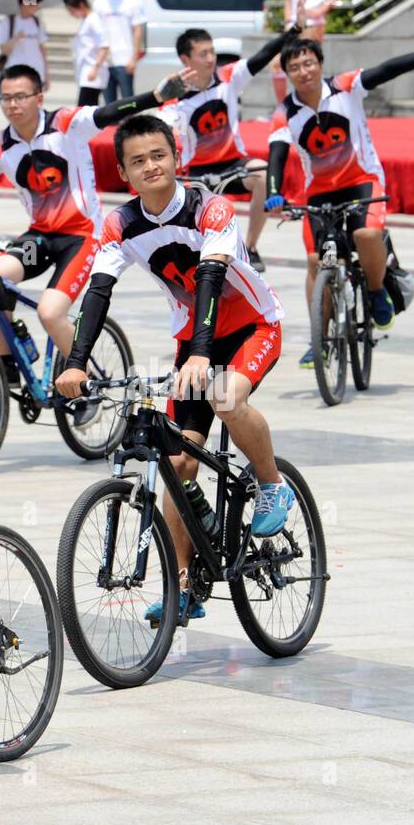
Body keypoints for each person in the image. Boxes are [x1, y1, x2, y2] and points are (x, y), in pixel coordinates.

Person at [55, 114, 291, 626]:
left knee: (227, 397)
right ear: (123, 172)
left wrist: (204, 355)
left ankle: (271, 482)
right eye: (137, 161)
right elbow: (97, 292)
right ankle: (184, 584)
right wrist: (76, 363)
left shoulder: (213, 208)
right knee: (178, 463)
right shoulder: (120, 224)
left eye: (158, 155)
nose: (150, 166)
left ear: (176, 157)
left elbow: (210, 276)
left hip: (253, 326)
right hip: (193, 340)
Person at [0, 64, 194, 395]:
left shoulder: (65, 123)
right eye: (6, 98)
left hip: (82, 236)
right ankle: (8, 368)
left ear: (39, 97)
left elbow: (109, 112)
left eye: (21, 96)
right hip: (40, 236)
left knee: (50, 313)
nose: (13, 105)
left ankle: (86, 381)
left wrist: (156, 96)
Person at [264, 35, 414, 366]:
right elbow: (276, 154)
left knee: (365, 234)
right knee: (314, 261)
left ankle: (377, 292)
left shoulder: (346, 87)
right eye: (295, 67)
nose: (304, 71)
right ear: (288, 74)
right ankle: (319, 338)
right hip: (319, 192)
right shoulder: (284, 112)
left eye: (309, 63)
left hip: (363, 182)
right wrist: (274, 191)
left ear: (320, 64)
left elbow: (388, 69)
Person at [160, 19, 302, 269]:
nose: (211, 58)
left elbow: (262, 57)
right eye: (203, 54)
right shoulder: (176, 101)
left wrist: (293, 31)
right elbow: (171, 137)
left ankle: (251, 246)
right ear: (185, 60)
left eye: (212, 51)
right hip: (197, 172)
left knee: (261, 172)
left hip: (232, 163)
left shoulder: (228, 77)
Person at [92, 0, 145, 101]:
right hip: (106, 61)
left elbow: (138, 31)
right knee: (109, 105)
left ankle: (131, 124)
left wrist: (133, 59)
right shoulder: (99, 3)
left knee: (128, 102)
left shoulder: (133, 2)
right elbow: (95, 33)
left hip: (125, 60)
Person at [63, 0, 110, 107]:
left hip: (92, 72)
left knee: (84, 108)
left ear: (81, 5)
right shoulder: (87, 20)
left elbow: (104, 46)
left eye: (72, 10)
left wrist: (95, 68)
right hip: (87, 71)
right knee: (86, 109)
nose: (71, 14)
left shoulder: (94, 20)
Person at [0, 0, 49, 87]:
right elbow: (2, 49)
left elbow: (43, 50)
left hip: (36, 73)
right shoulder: (9, 22)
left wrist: (47, 75)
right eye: (36, 3)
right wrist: (16, 38)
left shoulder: (37, 22)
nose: (38, 6)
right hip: (15, 73)